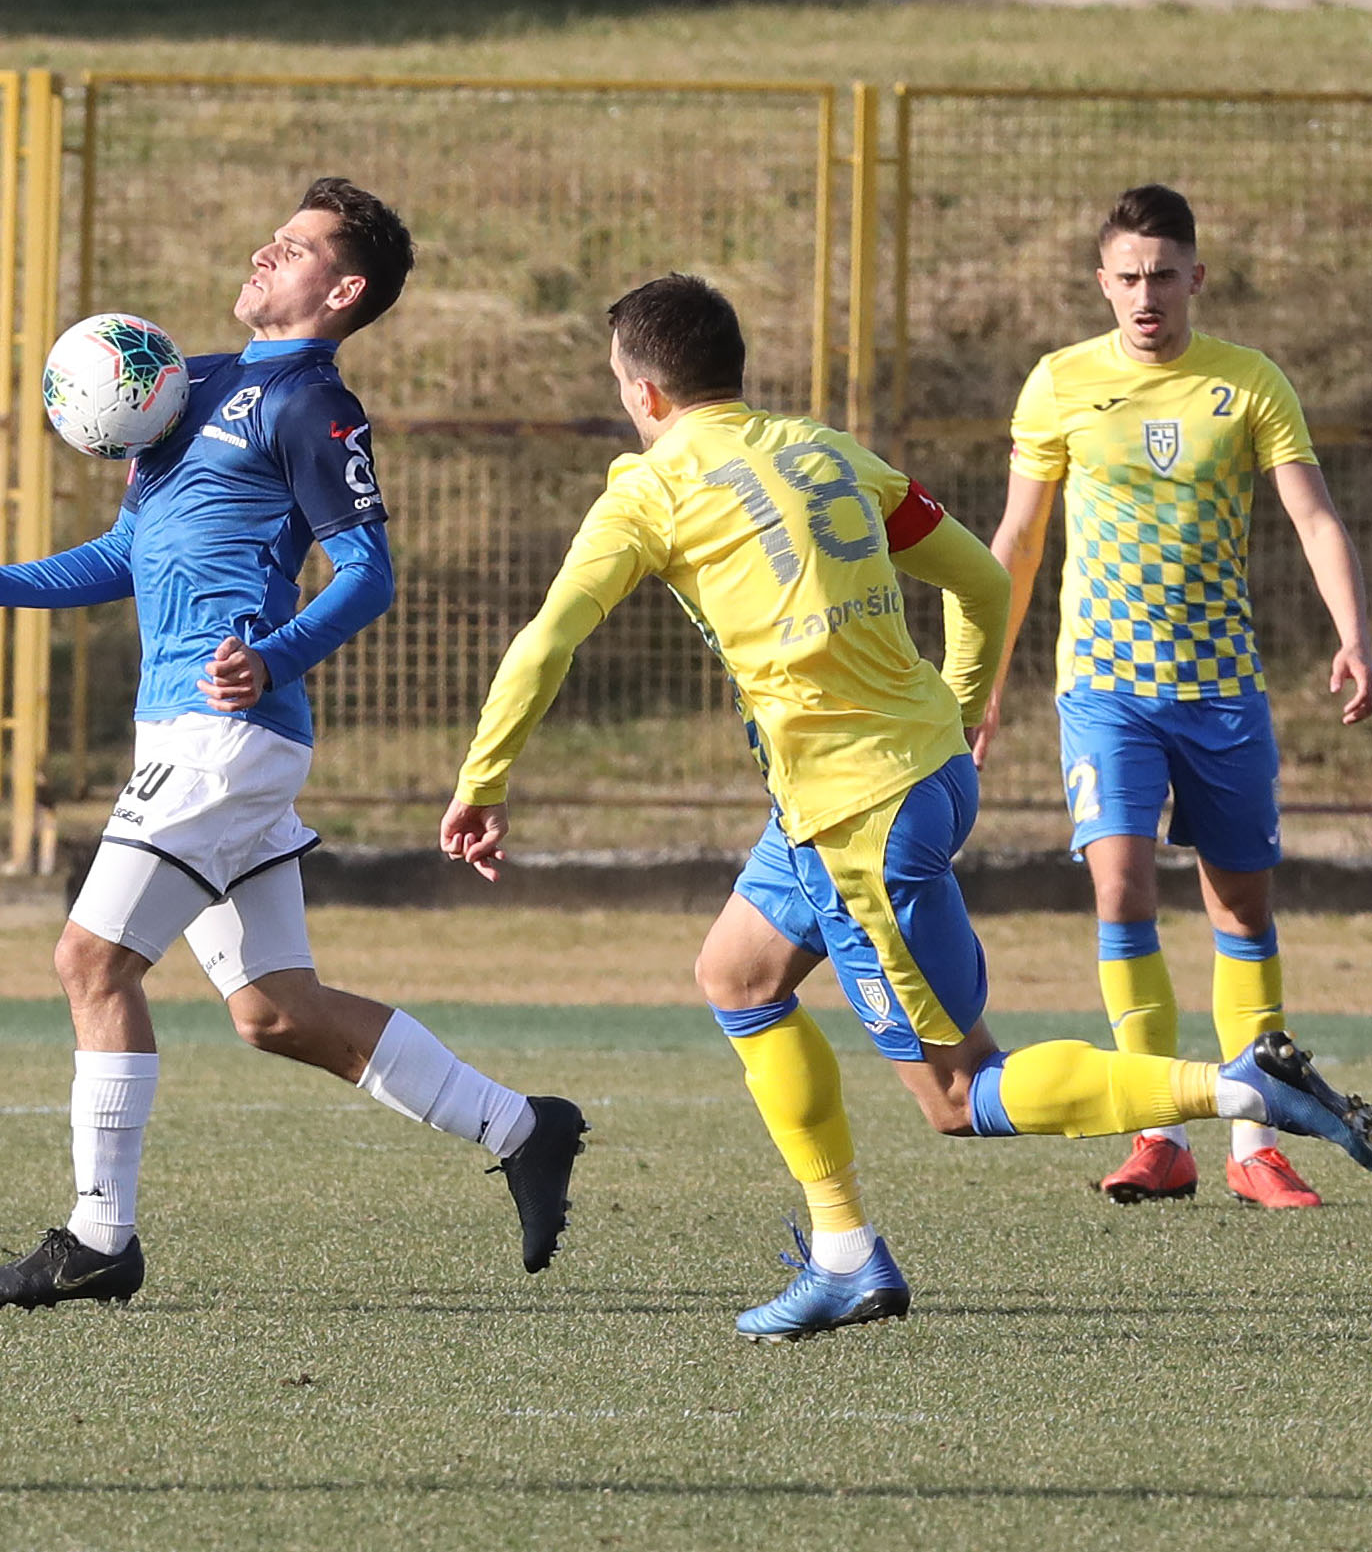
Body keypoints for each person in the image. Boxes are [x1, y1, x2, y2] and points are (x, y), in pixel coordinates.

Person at [442, 272, 1372, 1342]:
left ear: (644, 394)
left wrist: (483, 778)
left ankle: (1240, 1086)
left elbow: (547, 640)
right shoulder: (828, 451)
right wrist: (962, 710)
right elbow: (982, 581)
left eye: (620, 385)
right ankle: (843, 1251)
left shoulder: (651, 492)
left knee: (960, 1092)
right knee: (737, 973)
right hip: (903, 777)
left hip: (859, 816)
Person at [0, 179, 587, 1310]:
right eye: (272, 238)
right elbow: (128, 551)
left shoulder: (313, 404)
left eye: (295, 247)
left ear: (345, 288)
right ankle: (522, 1126)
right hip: (192, 730)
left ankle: (98, 1235)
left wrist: (273, 656)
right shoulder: (189, 387)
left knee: (90, 961)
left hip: (223, 736)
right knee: (275, 1009)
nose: (265, 254)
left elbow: (368, 573)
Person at [976, 185, 1371, 1210]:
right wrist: (980, 680)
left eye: (1162, 275)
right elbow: (1017, 542)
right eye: (1128, 277)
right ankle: (1158, 1133)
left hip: (1222, 689)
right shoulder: (1060, 382)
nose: (1145, 294)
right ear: (1102, 284)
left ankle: (1255, 1142)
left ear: (1195, 277)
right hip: (1105, 687)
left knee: (1242, 905)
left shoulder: (1248, 383)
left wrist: (1354, 631)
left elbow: (1314, 516)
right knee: (1121, 888)